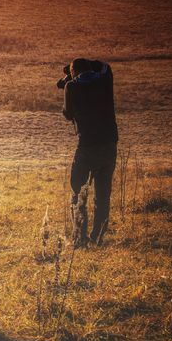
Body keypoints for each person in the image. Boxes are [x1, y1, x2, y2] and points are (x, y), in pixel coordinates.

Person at [58, 58, 118, 246]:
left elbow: (68, 114)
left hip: (87, 146)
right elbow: (105, 66)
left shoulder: (72, 87)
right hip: (109, 144)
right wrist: (84, 67)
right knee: (103, 194)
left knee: (78, 191)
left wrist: (68, 79)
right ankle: (98, 236)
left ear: (74, 71)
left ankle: (79, 237)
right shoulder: (105, 80)